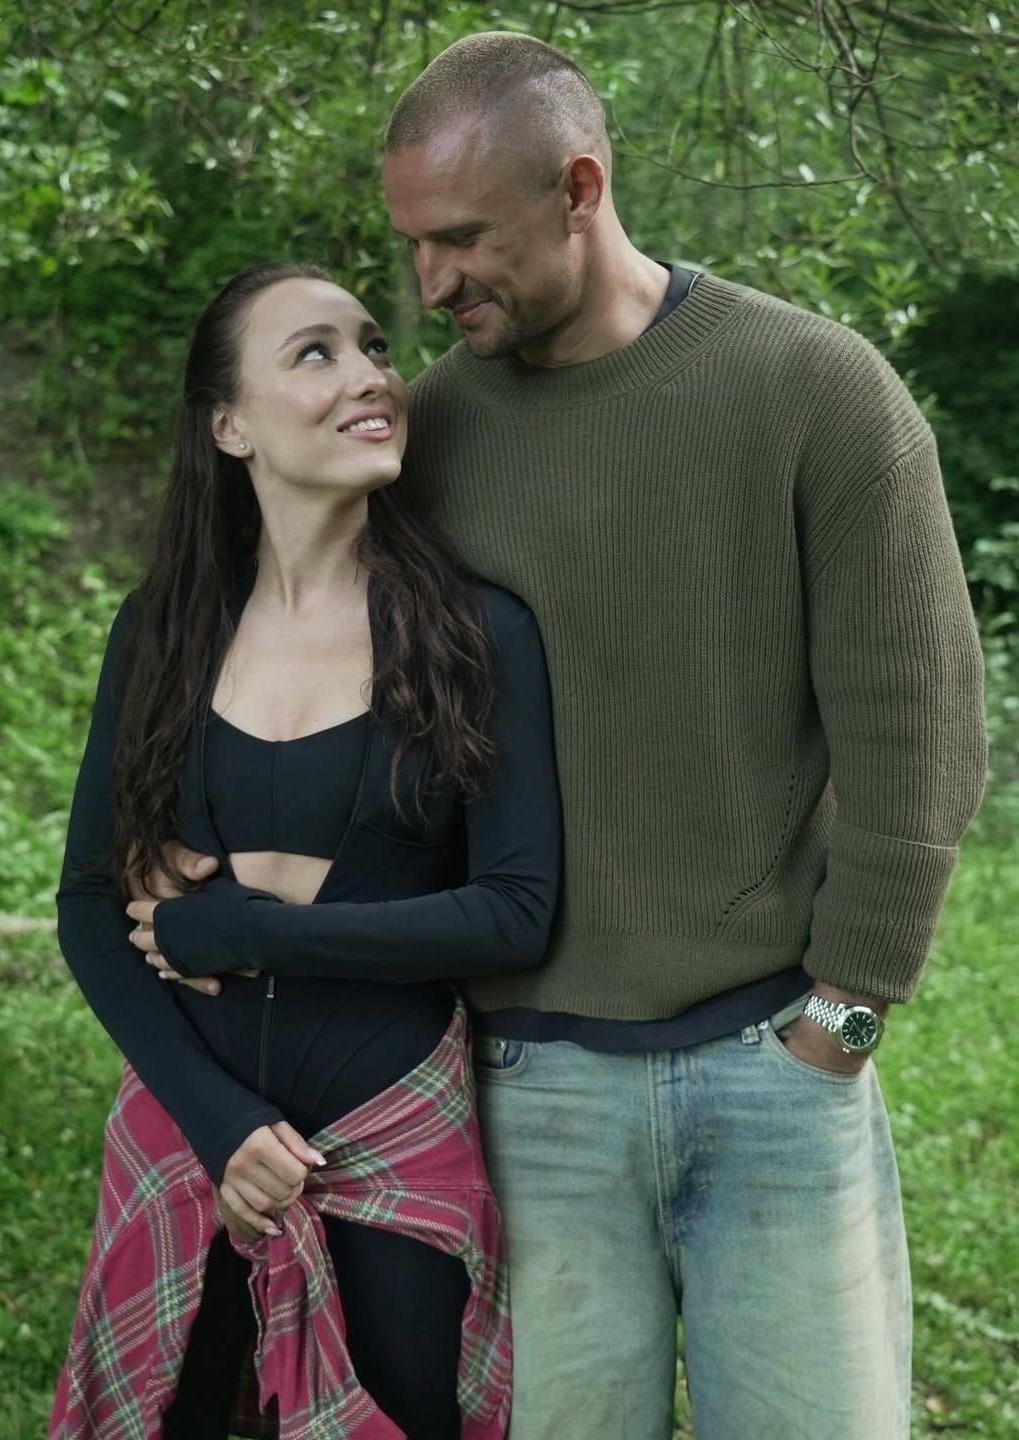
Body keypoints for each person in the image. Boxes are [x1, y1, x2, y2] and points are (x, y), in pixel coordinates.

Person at [374, 31, 985, 1440]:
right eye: (412, 244)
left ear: (579, 187)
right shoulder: (428, 434)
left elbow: (919, 725)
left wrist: (846, 1015)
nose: (431, 282)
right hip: (524, 1089)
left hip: (772, 1068)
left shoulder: (816, 391)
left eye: (462, 238)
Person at [48, 260, 561, 1440]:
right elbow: (87, 903)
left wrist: (255, 931)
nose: (370, 375)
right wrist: (219, 1123)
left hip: (391, 1141)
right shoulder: (165, 627)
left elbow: (515, 909)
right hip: (189, 1135)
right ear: (230, 425)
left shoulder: (477, 632)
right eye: (315, 353)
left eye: (374, 346)